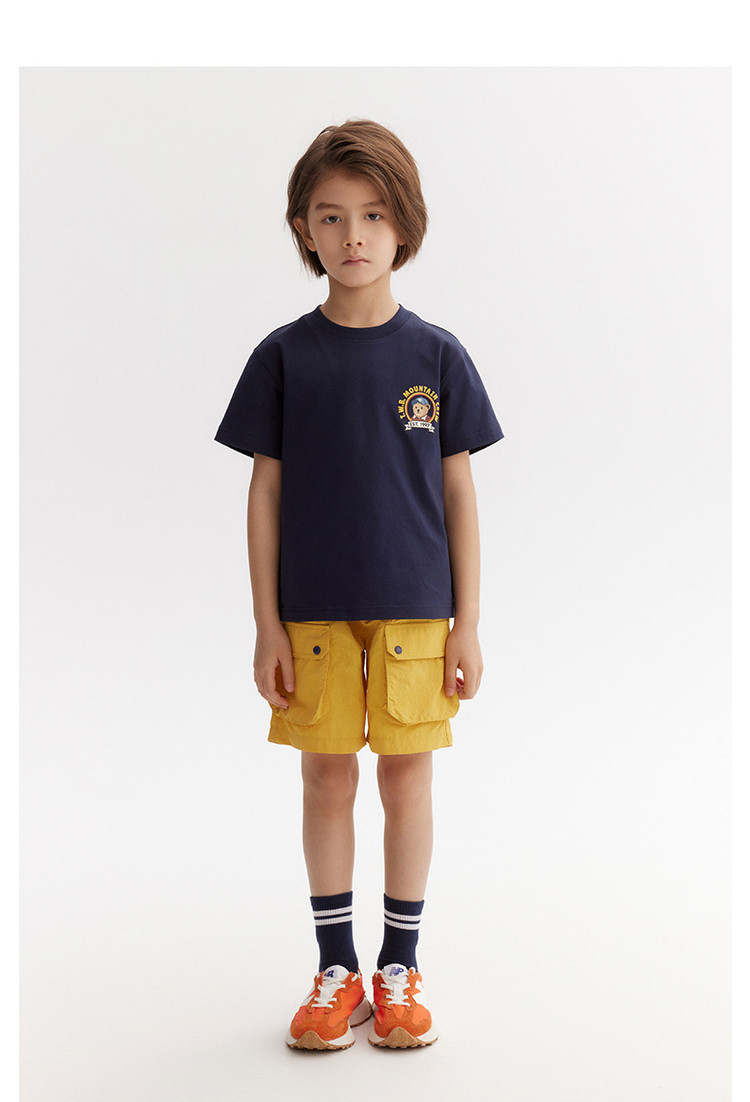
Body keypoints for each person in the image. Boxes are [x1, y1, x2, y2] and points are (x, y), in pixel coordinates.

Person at [215, 119, 503, 1050]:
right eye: (332, 216)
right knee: (326, 777)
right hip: (312, 614)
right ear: (303, 228)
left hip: (419, 610)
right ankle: (335, 969)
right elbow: (265, 494)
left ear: (404, 225)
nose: (353, 235)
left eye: (374, 215)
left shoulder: (438, 357)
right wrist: (266, 623)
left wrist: (468, 622)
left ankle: (401, 966)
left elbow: (459, 493)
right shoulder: (284, 357)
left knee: (408, 778)